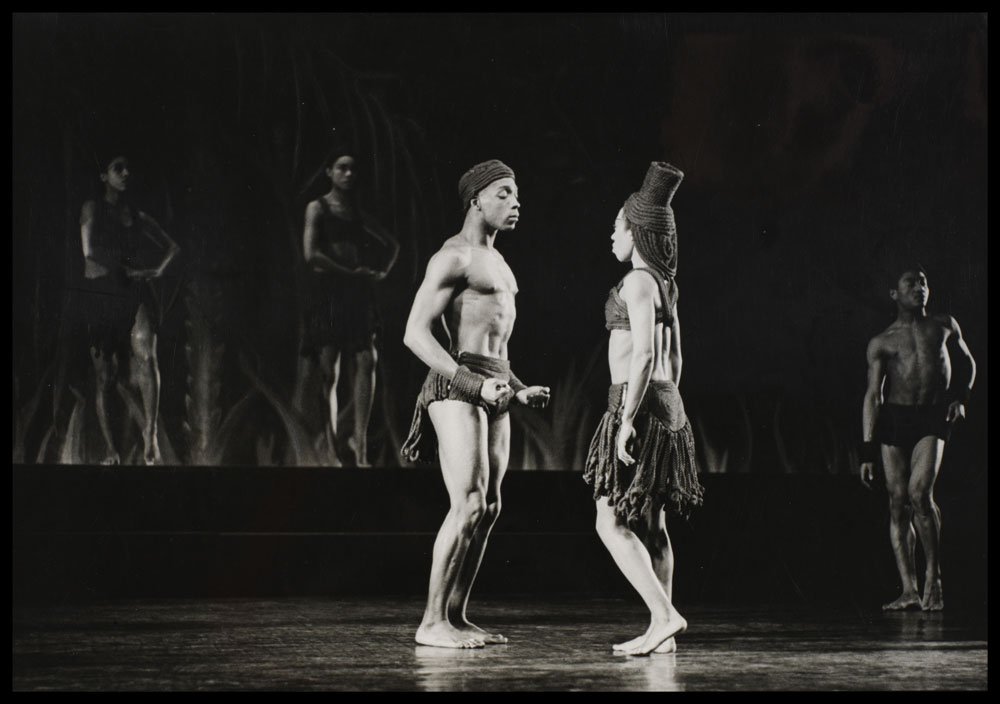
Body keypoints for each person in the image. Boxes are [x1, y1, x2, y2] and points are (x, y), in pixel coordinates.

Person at [401, 159, 550, 648]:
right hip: (457, 387)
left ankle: (456, 616)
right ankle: (431, 622)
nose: (516, 202)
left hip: (496, 386)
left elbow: (496, 349)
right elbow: (415, 334)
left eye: (517, 194)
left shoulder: (500, 264)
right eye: (504, 193)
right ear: (476, 200)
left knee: (489, 507)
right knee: (465, 503)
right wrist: (472, 384)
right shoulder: (454, 258)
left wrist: (518, 387)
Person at [583, 161, 704, 656]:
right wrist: (666, 408)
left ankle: (663, 616)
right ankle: (663, 633)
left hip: (639, 405)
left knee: (608, 521)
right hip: (667, 403)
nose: (611, 235)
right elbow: (676, 358)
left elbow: (647, 356)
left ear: (636, 232)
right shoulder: (665, 285)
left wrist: (627, 419)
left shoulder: (637, 281)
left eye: (617, 226)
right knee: (653, 524)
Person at [860, 264, 976, 611]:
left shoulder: (944, 325)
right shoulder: (882, 341)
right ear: (894, 294)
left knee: (919, 494)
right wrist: (866, 449)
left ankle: (933, 578)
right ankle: (909, 590)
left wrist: (961, 398)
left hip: (932, 416)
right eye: (910, 283)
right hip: (895, 420)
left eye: (923, 282)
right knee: (898, 503)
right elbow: (872, 396)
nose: (919, 287)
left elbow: (968, 363)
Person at [296, 147, 399, 467]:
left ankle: (360, 442)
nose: (349, 174)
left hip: (356, 293)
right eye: (342, 168)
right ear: (329, 172)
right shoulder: (318, 207)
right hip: (328, 293)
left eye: (353, 169)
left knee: (367, 359)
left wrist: (379, 272)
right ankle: (329, 447)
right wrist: (349, 271)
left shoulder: (355, 212)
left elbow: (393, 244)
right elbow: (311, 254)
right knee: (330, 368)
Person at [78, 153, 180, 465]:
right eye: (116, 168)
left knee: (147, 357)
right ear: (103, 177)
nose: (125, 173)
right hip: (101, 294)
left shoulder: (136, 215)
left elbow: (172, 247)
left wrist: (154, 270)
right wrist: (128, 268)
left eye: (126, 168)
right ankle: (112, 451)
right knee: (105, 376)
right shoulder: (92, 208)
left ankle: (150, 439)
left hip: (130, 292)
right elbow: (89, 252)